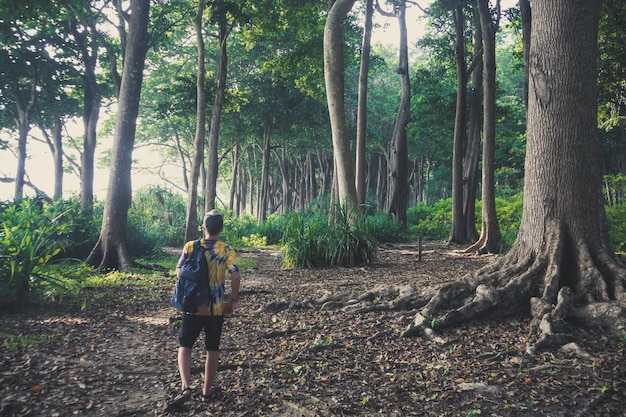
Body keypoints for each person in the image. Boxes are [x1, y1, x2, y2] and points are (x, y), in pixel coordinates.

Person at [168, 209, 241, 409]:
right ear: (221, 229)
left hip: (192, 306)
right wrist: (232, 300)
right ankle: (206, 393)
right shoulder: (226, 250)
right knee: (212, 348)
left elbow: (179, 271)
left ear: (203, 228)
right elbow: (235, 275)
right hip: (215, 309)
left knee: (185, 345)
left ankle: (185, 388)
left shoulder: (190, 246)